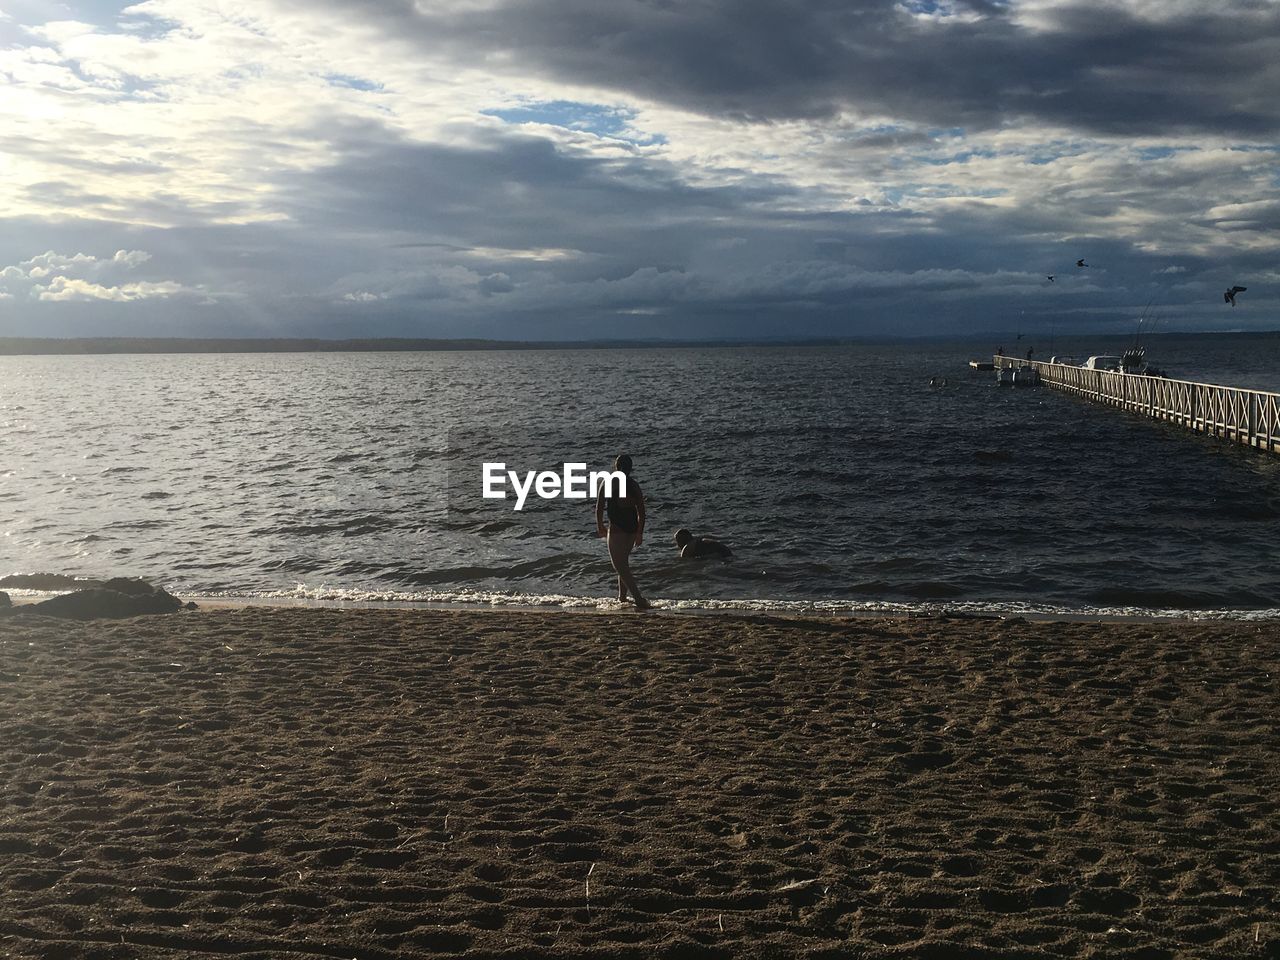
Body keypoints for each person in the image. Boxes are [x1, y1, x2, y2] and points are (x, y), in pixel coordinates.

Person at [595, 454, 649, 610]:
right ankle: (622, 598)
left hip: (617, 528)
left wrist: (600, 525)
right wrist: (640, 532)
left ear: (616, 467)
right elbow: (641, 512)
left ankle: (638, 598)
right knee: (623, 562)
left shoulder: (608, 482)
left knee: (619, 565)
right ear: (631, 468)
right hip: (632, 528)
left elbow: (599, 507)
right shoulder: (634, 485)